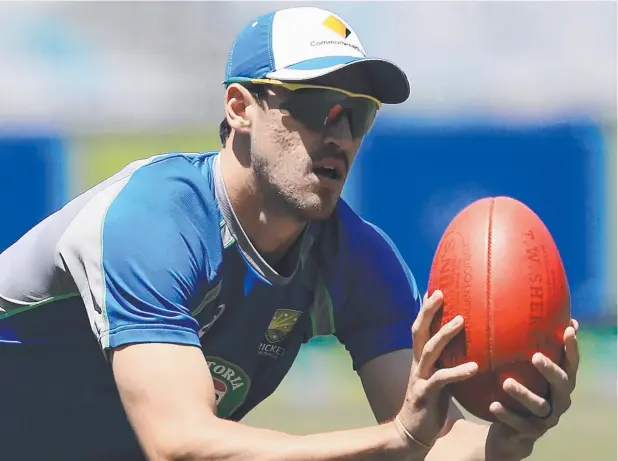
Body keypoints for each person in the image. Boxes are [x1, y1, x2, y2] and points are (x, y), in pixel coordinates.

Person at [0, 6, 580, 461]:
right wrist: (393, 441)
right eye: (319, 106)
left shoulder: (357, 260)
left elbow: (437, 440)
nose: (343, 135)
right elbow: (178, 443)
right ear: (240, 108)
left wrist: (503, 444)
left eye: (360, 114)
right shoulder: (155, 220)